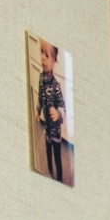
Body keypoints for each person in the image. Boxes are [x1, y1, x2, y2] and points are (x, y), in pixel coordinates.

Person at [36, 40, 67, 184]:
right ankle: (48, 173)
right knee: (48, 152)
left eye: (47, 55)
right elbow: (40, 98)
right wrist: (38, 111)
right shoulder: (41, 79)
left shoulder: (56, 86)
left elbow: (62, 105)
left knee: (57, 157)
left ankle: (59, 179)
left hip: (55, 132)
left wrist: (59, 114)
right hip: (47, 129)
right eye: (41, 52)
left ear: (54, 61)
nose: (43, 57)